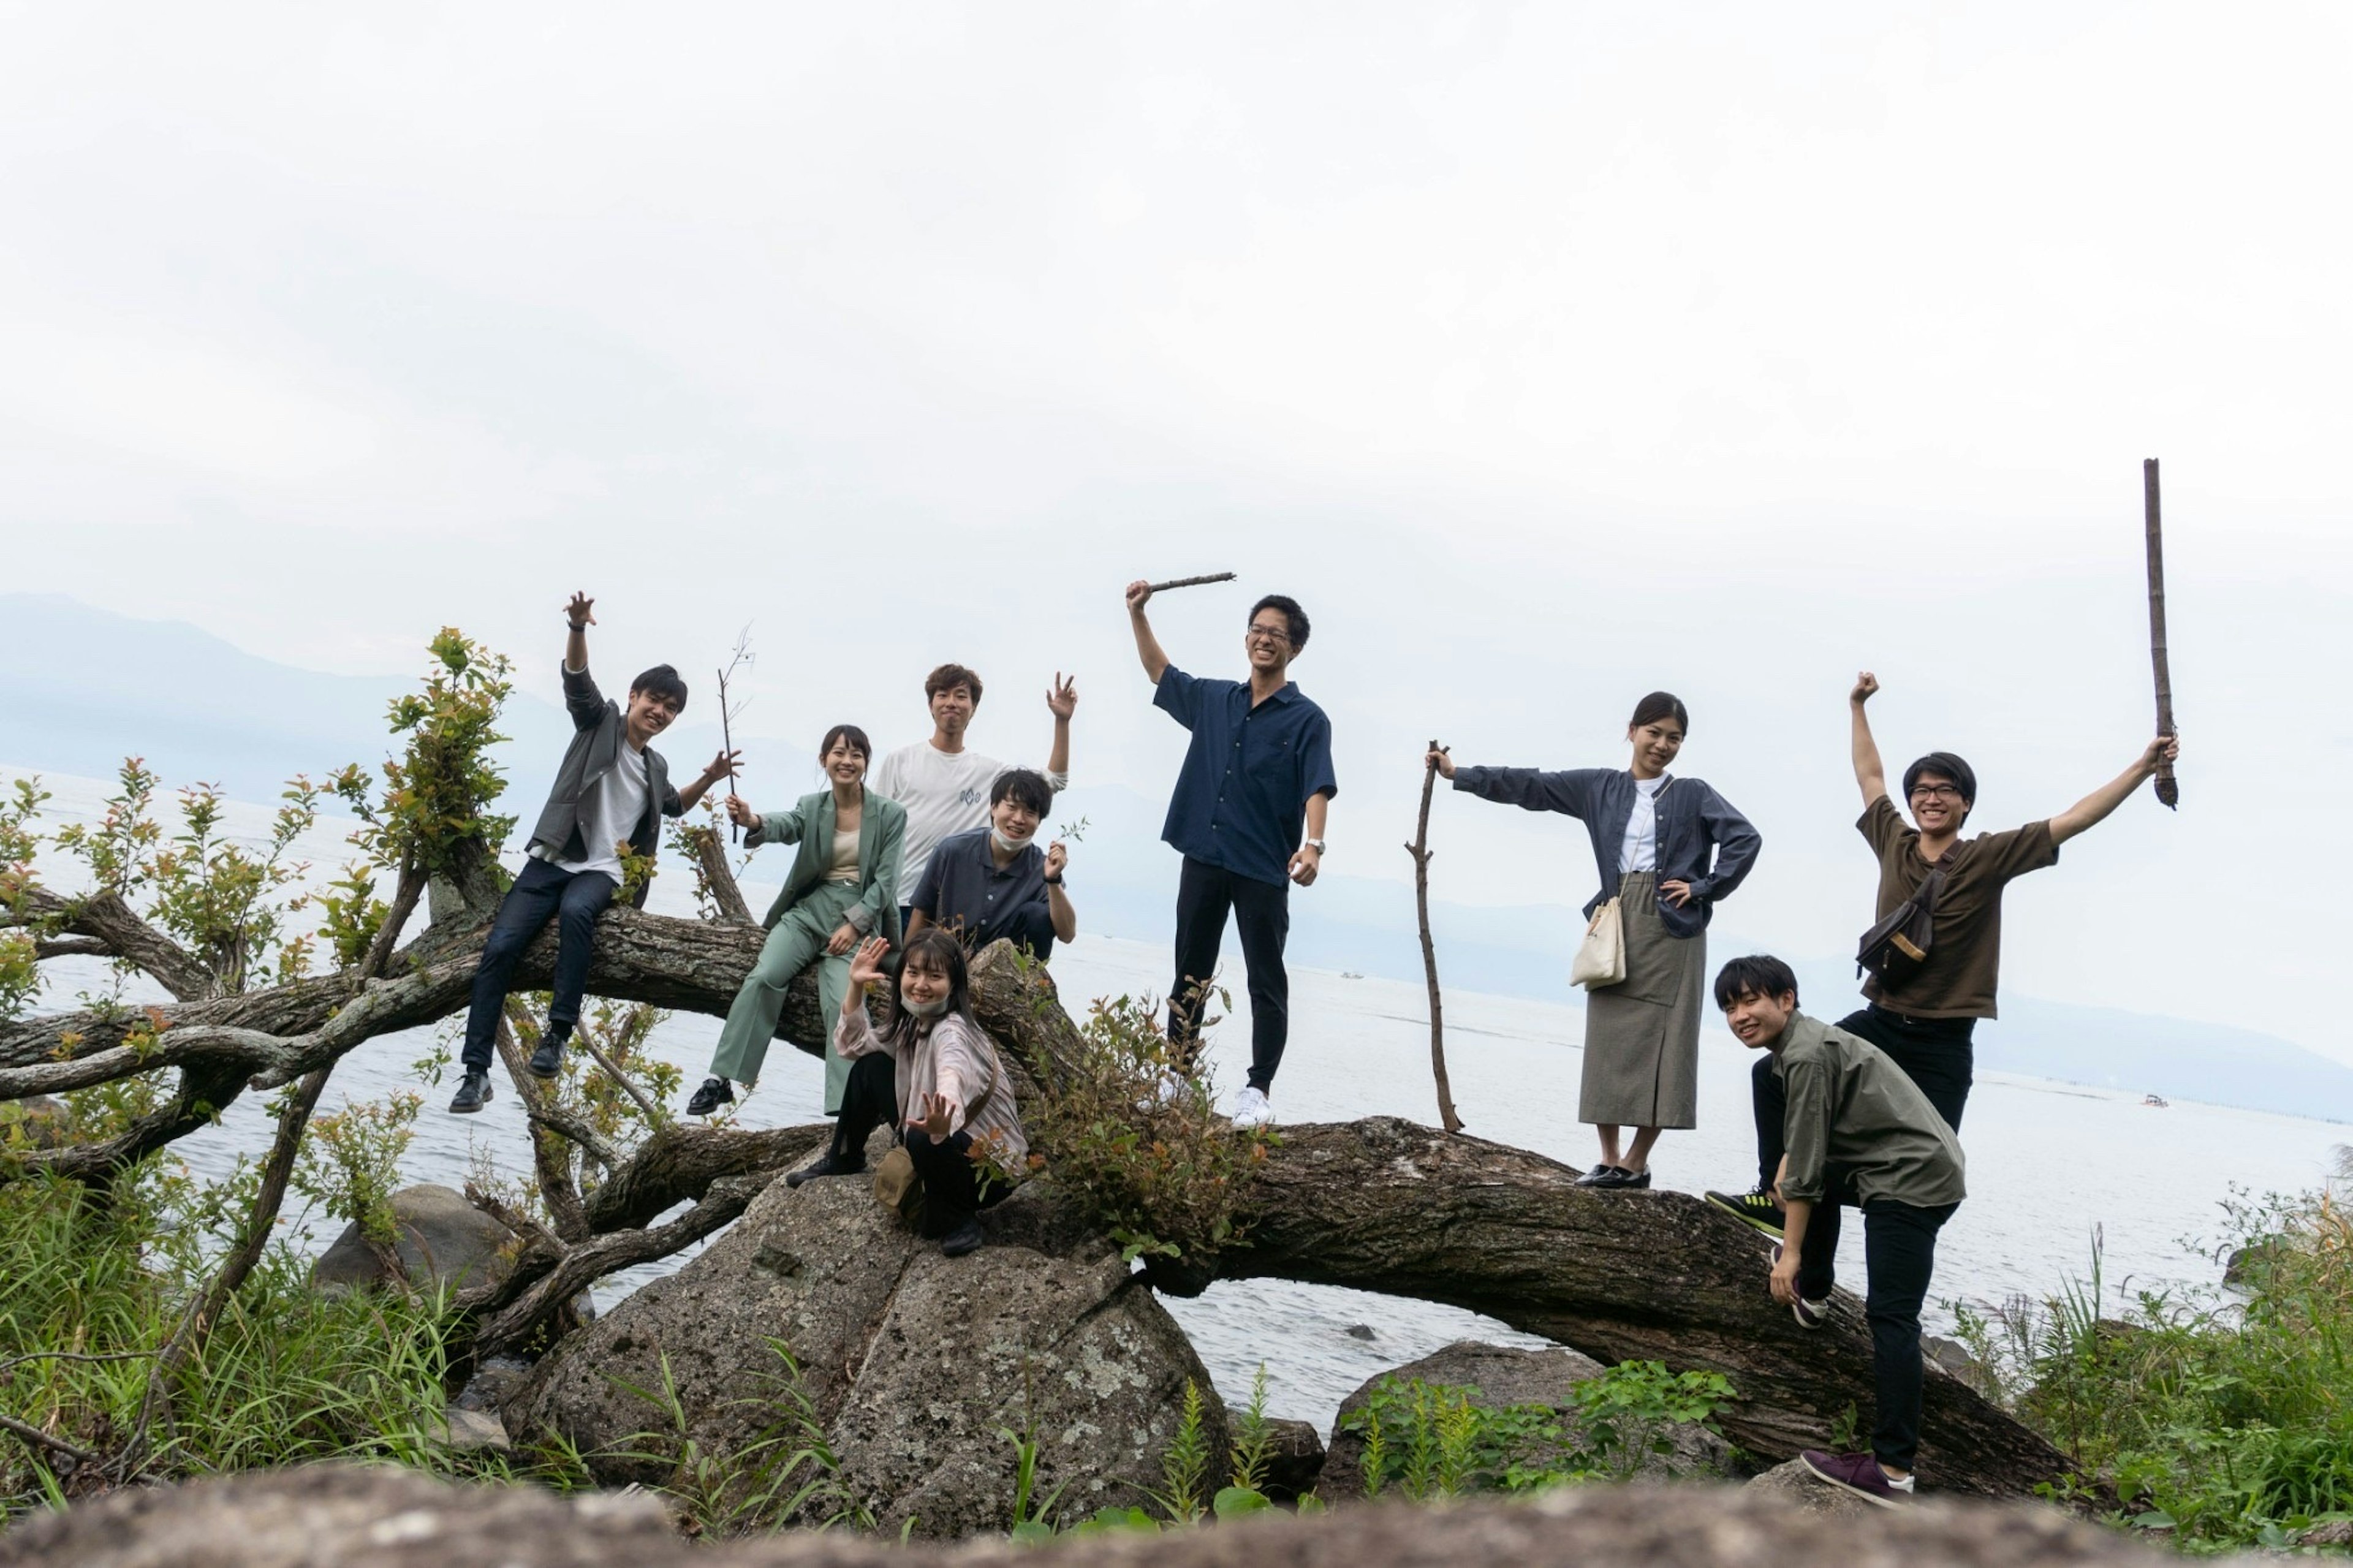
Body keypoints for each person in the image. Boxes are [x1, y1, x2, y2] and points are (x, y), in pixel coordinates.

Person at [1707, 672, 2184, 1237]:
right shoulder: (1893, 838)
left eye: (1945, 790)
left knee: (1929, 1167)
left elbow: (2076, 817)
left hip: (1944, 1040)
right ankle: (1776, 1200)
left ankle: (1880, 1277)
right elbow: (1869, 775)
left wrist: (2142, 766)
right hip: (1878, 1023)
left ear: (1965, 802)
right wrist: (1857, 706)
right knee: (1776, 1077)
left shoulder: (1991, 855)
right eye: (1923, 790)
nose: (1931, 799)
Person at [1432, 692, 1761, 1187]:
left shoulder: (1694, 792)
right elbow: (1534, 786)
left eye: (1674, 737)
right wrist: (1461, 775)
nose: (1663, 745)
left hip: (1674, 928)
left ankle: (1636, 1161)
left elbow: (1745, 838)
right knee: (1607, 1036)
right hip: (1617, 921)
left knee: (1666, 1045)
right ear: (1632, 731)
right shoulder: (1600, 788)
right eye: (1654, 733)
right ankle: (1608, 1157)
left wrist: (1704, 887)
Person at [450, 592, 737, 1114]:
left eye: (672, 709)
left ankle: (557, 1036)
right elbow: (577, 682)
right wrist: (577, 628)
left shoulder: (656, 766)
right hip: (553, 858)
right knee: (499, 950)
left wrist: (709, 778)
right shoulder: (599, 723)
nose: (661, 712)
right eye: (655, 700)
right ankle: (475, 1072)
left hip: (603, 870)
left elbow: (673, 807)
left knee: (581, 912)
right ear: (633, 696)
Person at [1716, 954, 1966, 1507]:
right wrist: (1786, 1171)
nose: (1740, 1016)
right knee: (1777, 1107)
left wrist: (1790, 1254)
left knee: (1891, 1317)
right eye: (1730, 1007)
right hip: (1885, 1164)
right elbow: (1809, 1161)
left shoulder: (1805, 1055)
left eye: (1751, 1000)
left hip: (1914, 1177)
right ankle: (1818, 1290)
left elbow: (1806, 1171)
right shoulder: (1789, 1055)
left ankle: (1893, 1469)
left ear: (1787, 999)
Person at [1126, 581, 1336, 1129]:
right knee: (1189, 969)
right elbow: (1160, 672)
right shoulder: (1216, 699)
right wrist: (1138, 614)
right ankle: (1177, 1074)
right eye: (1258, 630)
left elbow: (1318, 784)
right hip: (1204, 852)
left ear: (1295, 649)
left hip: (1265, 865)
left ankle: (1257, 1090)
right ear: (1247, 639)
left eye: (1278, 634)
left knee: (1266, 979)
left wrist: (1313, 845)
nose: (1265, 640)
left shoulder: (1308, 719)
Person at [683, 725, 906, 1119]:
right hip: (809, 911)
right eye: (838, 753)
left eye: (856, 755)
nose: (847, 761)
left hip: (857, 915)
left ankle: (852, 1107)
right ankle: (722, 1078)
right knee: (764, 976)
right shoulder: (813, 805)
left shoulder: (890, 815)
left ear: (866, 764)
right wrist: (753, 820)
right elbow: (786, 824)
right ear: (824, 760)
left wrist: (854, 926)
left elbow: (886, 882)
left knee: (843, 1004)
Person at [792, 930, 1028, 1257]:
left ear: (954, 983)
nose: (921, 985)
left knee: (922, 1136)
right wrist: (856, 984)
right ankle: (845, 1157)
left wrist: (943, 1122)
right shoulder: (912, 1022)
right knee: (870, 1065)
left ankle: (961, 1218)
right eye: (913, 973)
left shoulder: (954, 1032)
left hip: (989, 1171)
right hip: (940, 1137)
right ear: (900, 974)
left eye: (934, 976)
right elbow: (853, 1046)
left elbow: (953, 1075)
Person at [869, 664, 1074, 931]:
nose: (951, 703)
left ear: (974, 708)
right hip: (897, 898)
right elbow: (871, 825)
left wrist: (1062, 722)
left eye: (961, 696)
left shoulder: (991, 774)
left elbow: (1054, 780)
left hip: (952, 909)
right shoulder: (901, 761)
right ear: (931, 705)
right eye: (942, 695)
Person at [907, 768, 1077, 961]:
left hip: (1005, 969)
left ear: (1039, 820)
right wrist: (908, 966)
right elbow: (921, 912)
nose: (1019, 819)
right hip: (946, 959)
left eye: (1030, 812)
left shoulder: (1042, 867)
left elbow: (1068, 934)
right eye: (1012, 807)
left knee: (1037, 914)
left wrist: (1053, 881)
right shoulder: (953, 850)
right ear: (993, 807)